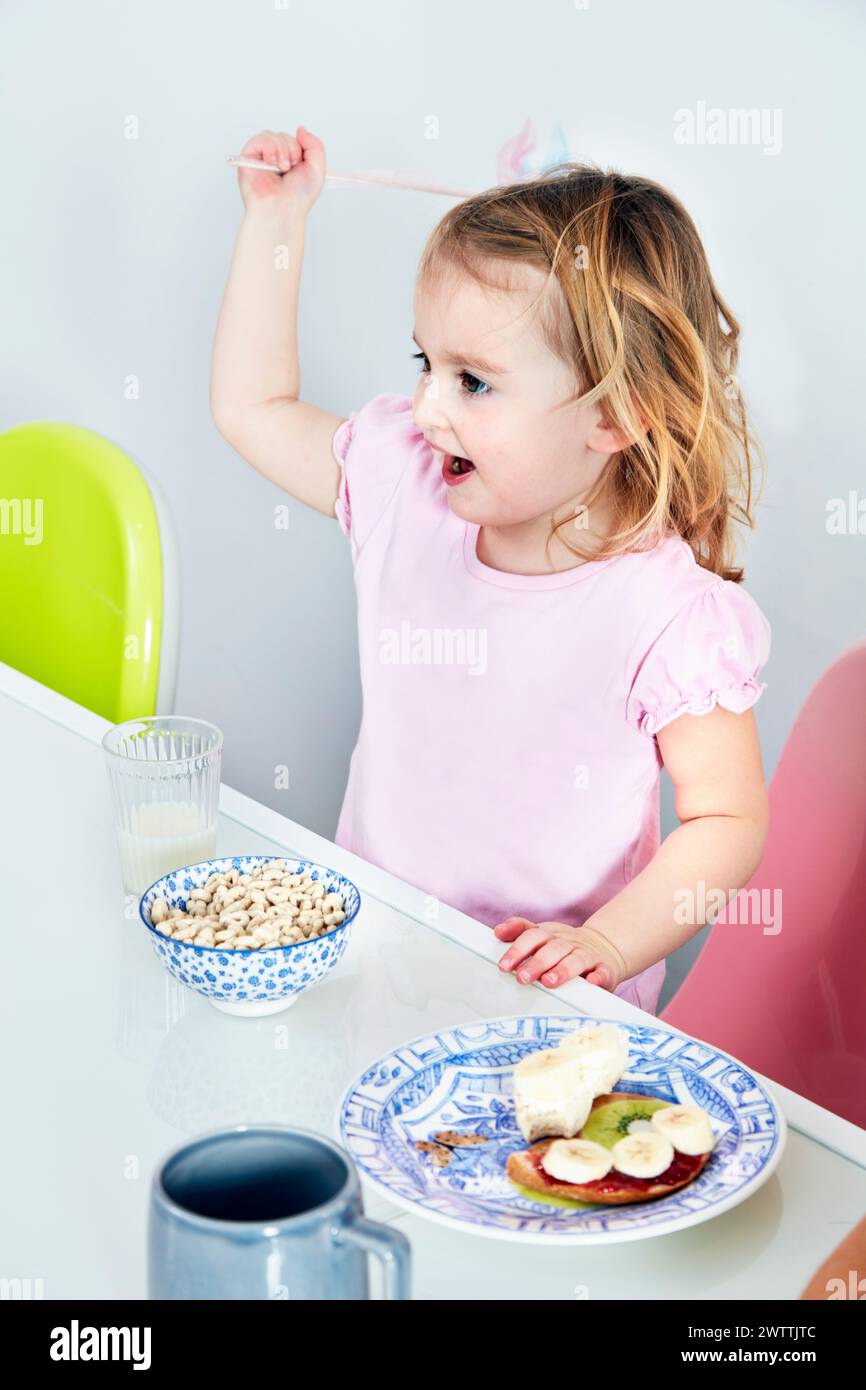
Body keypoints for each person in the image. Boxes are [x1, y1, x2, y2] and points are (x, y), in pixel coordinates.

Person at [211, 126, 771, 1016]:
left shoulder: (664, 612)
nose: (428, 407)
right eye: (425, 363)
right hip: (374, 958)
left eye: (474, 382)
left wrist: (605, 945)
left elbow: (727, 823)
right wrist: (277, 221)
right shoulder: (407, 484)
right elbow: (254, 407)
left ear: (614, 414)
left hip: (551, 1014)